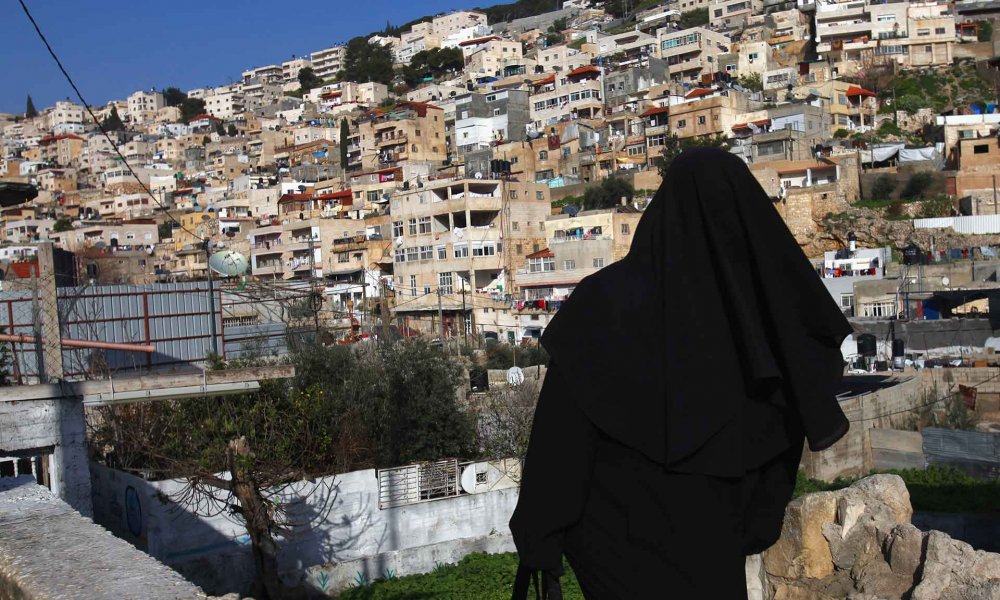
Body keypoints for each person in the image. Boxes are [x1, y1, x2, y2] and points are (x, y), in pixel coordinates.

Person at [509, 148, 854, 599]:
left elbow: (560, 447)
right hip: (711, 562)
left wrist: (541, 544)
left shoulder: (602, 308)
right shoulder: (756, 335)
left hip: (618, 558)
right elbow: (775, 459)